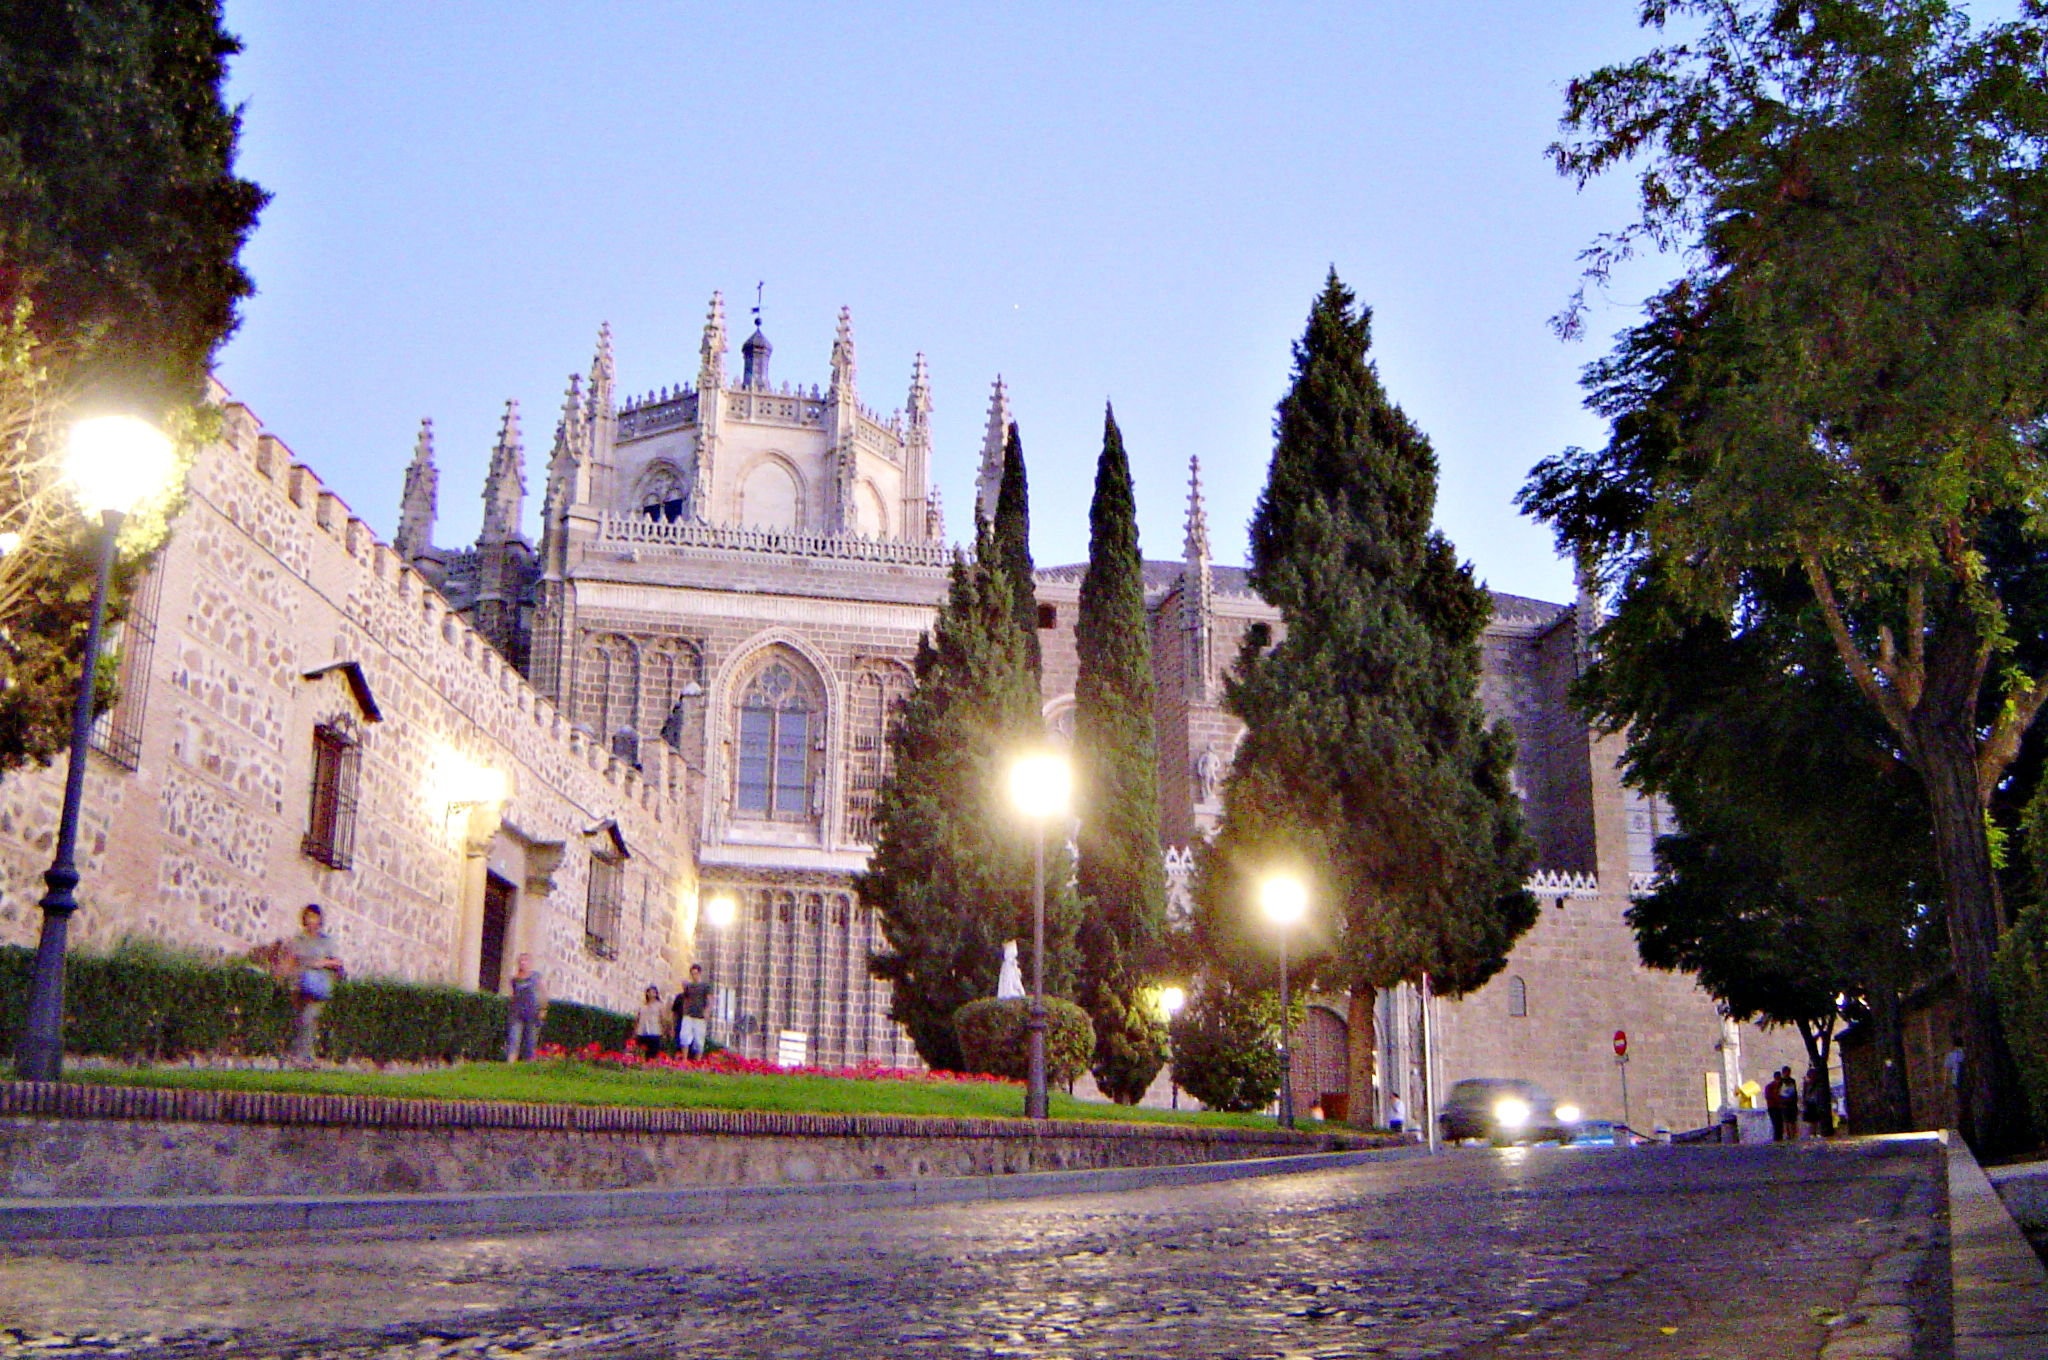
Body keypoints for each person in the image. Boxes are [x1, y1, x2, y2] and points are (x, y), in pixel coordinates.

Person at [290, 904, 344, 1068]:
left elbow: (337, 962)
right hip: (301, 985)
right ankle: (305, 1056)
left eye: (314, 917)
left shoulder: (326, 941)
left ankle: (303, 1057)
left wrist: (323, 963)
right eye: (308, 917)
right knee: (303, 1021)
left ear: (320, 920)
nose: (310, 920)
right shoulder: (299, 940)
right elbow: (293, 961)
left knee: (308, 1018)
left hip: (319, 987)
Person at [504, 953, 547, 1062]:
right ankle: (510, 1065)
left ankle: (529, 1065)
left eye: (525, 961)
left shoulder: (536, 977)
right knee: (513, 1039)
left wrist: (543, 1009)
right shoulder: (514, 979)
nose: (523, 963)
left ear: (530, 963)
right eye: (521, 961)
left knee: (530, 1041)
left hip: (533, 1013)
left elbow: (543, 993)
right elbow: (513, 995)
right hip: (516, 1013)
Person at [670, 964, 713, 1058]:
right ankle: (684, 1060)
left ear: (700, 974)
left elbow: (709, 999)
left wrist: (707, 1011)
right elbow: (685, 999)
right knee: (684, 1037)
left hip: (699, 1016)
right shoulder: (689, 987)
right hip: (688, 1015)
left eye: (696, 973)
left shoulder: (705, 986)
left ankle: (698, 1061)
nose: (694, 976)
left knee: (699, 1041)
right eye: (692, 974)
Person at [632, 985, 668, 1058]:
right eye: (650, 992)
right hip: (642, 1031)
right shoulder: (643, 1005)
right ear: (647, 993)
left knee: (652, 1053)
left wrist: (664, 1030)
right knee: (640, 1052)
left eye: (654, 992)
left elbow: (662, 1018)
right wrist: (635, 1030)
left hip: (654, 1031)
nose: (652, 994)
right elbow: (638, 1018)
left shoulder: (659, 1005)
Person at [1801, 1066, 1828, 1139]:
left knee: (1816, 1119)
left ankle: (1816, 1132)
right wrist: (1804, 1102)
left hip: (1816, 1102)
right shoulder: (1806, 1084)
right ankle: (1812, 1133)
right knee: (1811, 1120)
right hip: (1809, 1102)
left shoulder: (1817, 1084)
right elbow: (1804, 1094)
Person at [1764, 1064, 1787, 1141]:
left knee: (1780, 1124)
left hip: (1779, 1107)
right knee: (1776, 1124)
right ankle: (1777, 1139)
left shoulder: (1781, 1085)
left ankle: (1779, 1138)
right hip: (1773, 1107)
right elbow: (1769, 1097)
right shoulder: (1770, 1086)